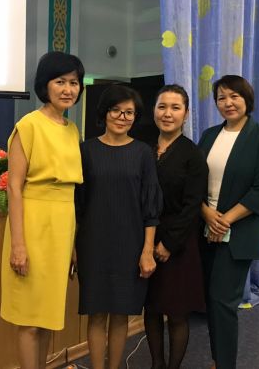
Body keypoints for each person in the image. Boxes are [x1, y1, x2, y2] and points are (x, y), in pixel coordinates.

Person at [1, 51, 85, 369]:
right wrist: (18, 245)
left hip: (62, 226)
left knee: (49, 316)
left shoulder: (72, 129)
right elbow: (14, 187)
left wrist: (73, 243)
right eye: (60, 81)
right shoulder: (28, 125)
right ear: (45, 85)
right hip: (33, 224)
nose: (68, 89)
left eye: (74, 82)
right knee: (30, 318)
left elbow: (73, 193)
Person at [75, 84, 162, 369]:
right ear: (104, 113)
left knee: (121, 313)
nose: (122, 117)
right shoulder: (86, 151)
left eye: (129, 113)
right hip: (93, 244)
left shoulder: (143, 153)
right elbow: (77, 205)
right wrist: (73, 247)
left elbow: (151, 207)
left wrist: (147, 250)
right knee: (96, 313)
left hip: (130, 244)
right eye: (116, 110)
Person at [197, 75, 259, 369]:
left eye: (234, 96)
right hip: (204, 226)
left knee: (222, 300)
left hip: (239, 229)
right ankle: (218, 359)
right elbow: (194, 180)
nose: (228, 103)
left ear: (247, 100)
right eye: (221, 97)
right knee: (210, 299)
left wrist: (224, 221)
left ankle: (225, 363)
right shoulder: (209, 135)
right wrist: (206, 214)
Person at [144, 84, 207, 369]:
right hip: (146, 238)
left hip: (179, 242)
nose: (167, 114)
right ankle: (156, 364)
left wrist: (168, 243)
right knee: (151, 308)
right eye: (162, 107)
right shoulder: (144, 149)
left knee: (177, 312)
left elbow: (193, 206)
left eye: (175, 108)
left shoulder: (193, 155)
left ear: (186, 114)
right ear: (154, 111)